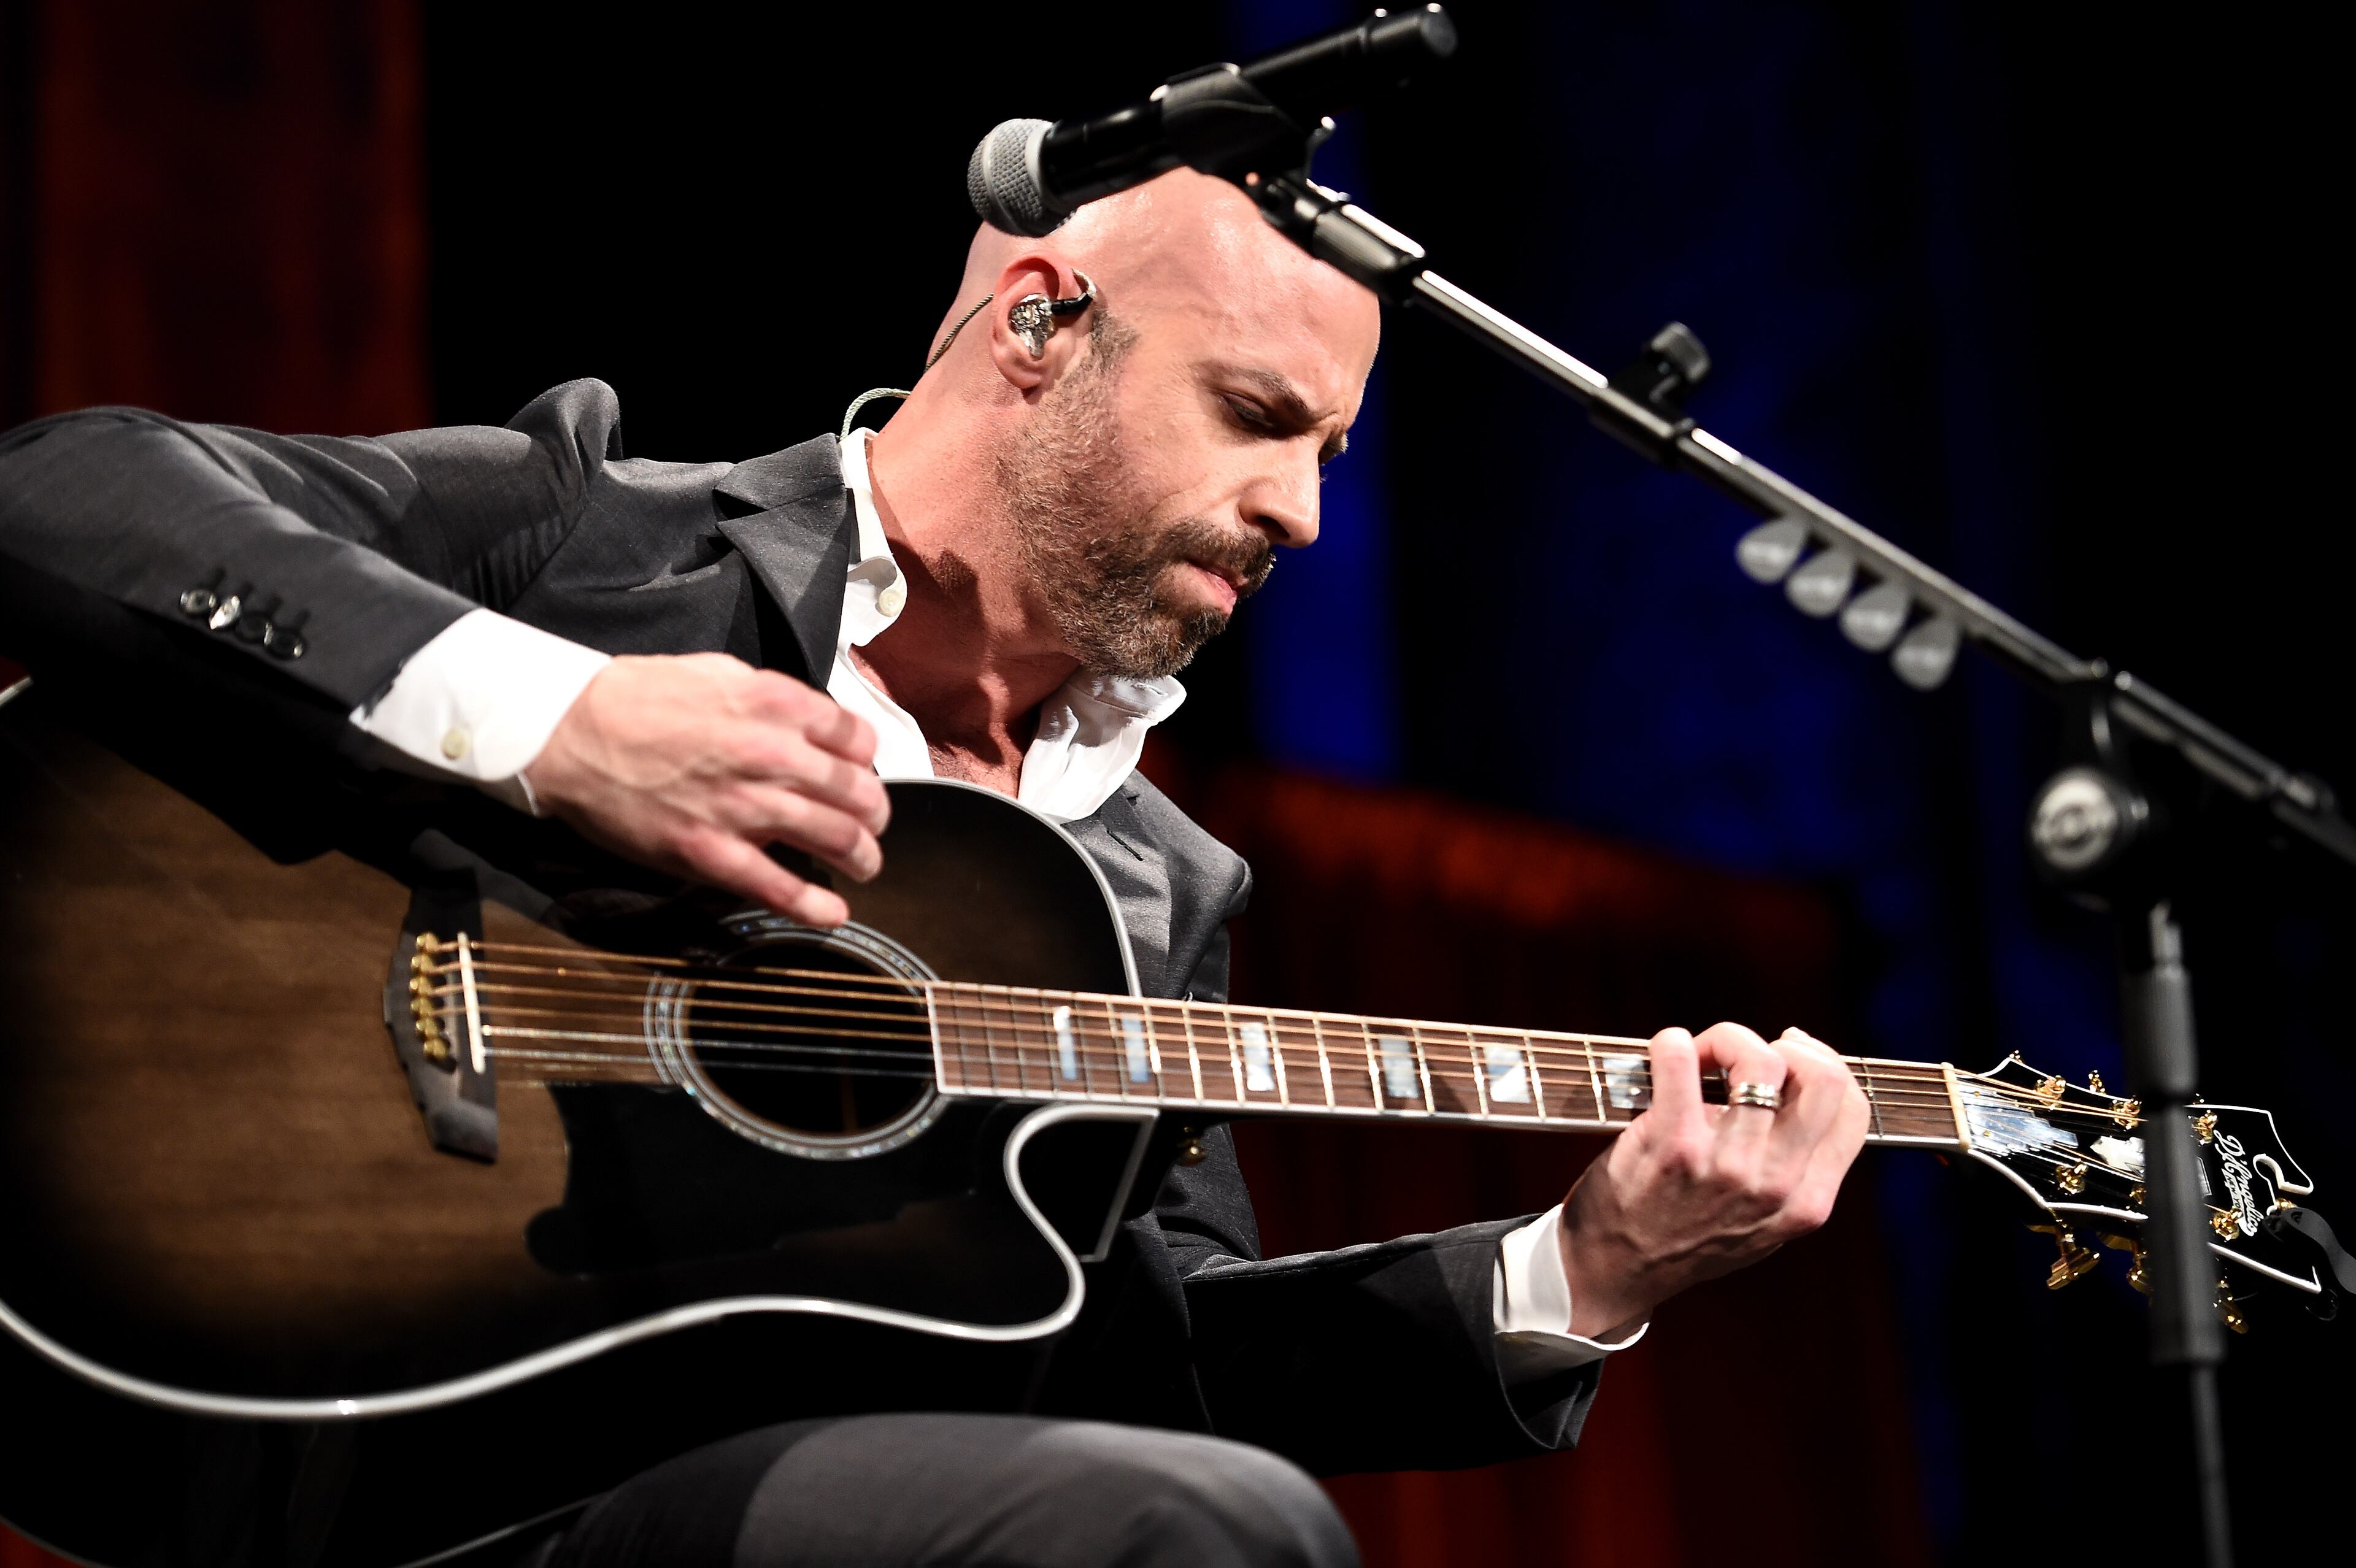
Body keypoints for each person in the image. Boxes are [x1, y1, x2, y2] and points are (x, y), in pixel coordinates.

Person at [0, 167, 1869, 1567]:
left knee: (1193, 1512)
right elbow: (66, 490)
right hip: (367, 1452)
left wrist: (1587, 1260)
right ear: (1041, 326)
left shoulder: (1160, 889)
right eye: (1256, 416)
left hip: (783, 1504)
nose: (1305, 509)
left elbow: (1167, 1355)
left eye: (1335, 452)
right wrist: (545, 716)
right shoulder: (601, 533)